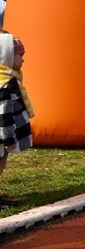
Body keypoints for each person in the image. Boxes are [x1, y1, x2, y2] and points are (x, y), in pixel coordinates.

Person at [0, 31, 32, 208]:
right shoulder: (6, 83)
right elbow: (4, 114)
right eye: (20, 55)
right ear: (7, 56)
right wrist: (9, 139)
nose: (23, 60)